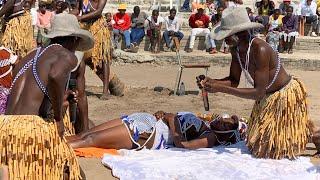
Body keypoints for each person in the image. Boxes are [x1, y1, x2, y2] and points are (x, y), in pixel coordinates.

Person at [205, 7, 318, 159]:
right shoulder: (236, 50)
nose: (225, 40)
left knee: (270, 150)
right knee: (257, 148)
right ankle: (308, 132)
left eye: (228, 35)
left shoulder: (260, 49)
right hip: (267, 98)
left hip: (283, 97)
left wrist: (219, 88)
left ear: (241, 33)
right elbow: (233, 81)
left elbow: (258, 93)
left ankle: (311, 134)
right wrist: (211, 83)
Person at [0, 13, 94, 179]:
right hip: (29, 129)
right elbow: (56, 75)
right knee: (74, 173)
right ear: (72, 39)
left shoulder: (30, 55)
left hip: (5, 128)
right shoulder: (66, 55)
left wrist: (60, 97)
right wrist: (58, 118)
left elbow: (28, 93)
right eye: (77, 41)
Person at [67, 111, 246, 150]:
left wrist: (172, 120)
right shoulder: (206, 123)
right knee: (85, 134)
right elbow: (173, 116)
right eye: (225, 120)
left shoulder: (210, 138)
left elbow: (182, 144)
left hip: (149, 134)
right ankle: (51, 142)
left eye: (227, 126)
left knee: (90, 140)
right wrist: (168, 115)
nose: (222, 123)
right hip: (146, 120)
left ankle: (52, 151)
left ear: (228, 135)